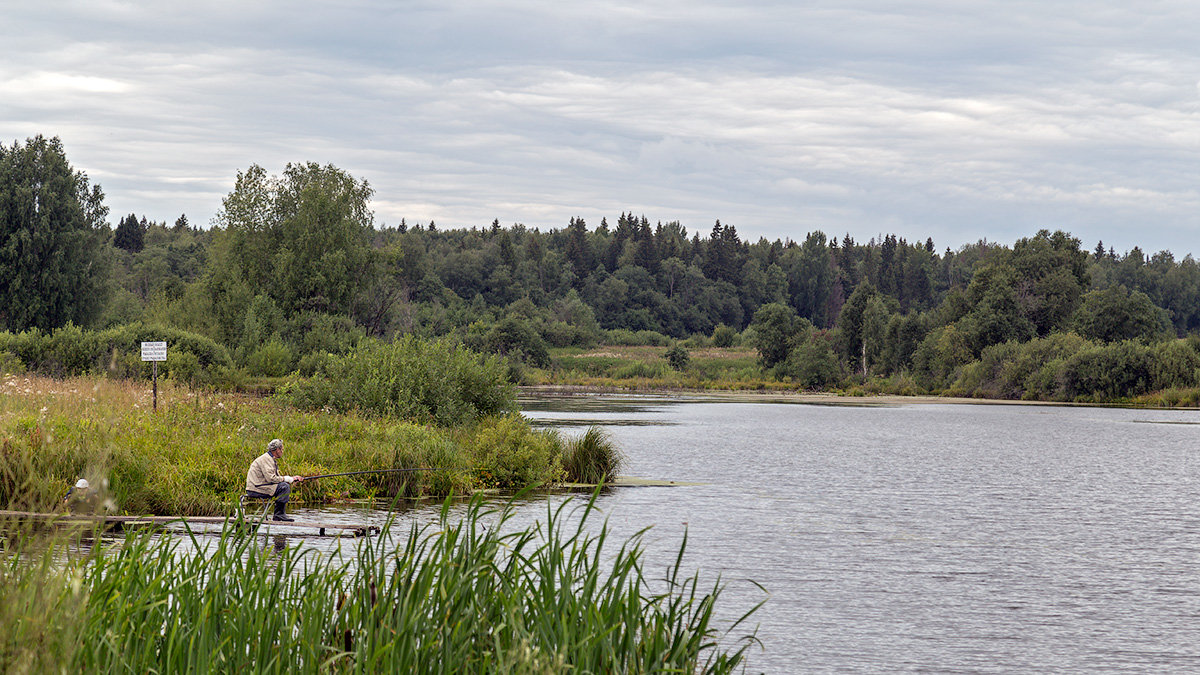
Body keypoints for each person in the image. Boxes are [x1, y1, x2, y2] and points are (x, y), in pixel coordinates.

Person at [245, 438, 305, 521]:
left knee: (284, 485)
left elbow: (276, 479)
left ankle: (279, 514)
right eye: (282, 449)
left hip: (259, 486)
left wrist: (292, 479)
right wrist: (287, 479)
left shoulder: (269, 459)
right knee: (284, 487)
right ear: (277, 450)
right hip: (255, 488)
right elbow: (271, 478)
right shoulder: (266, 459)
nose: (282, 452)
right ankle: (279, 515)